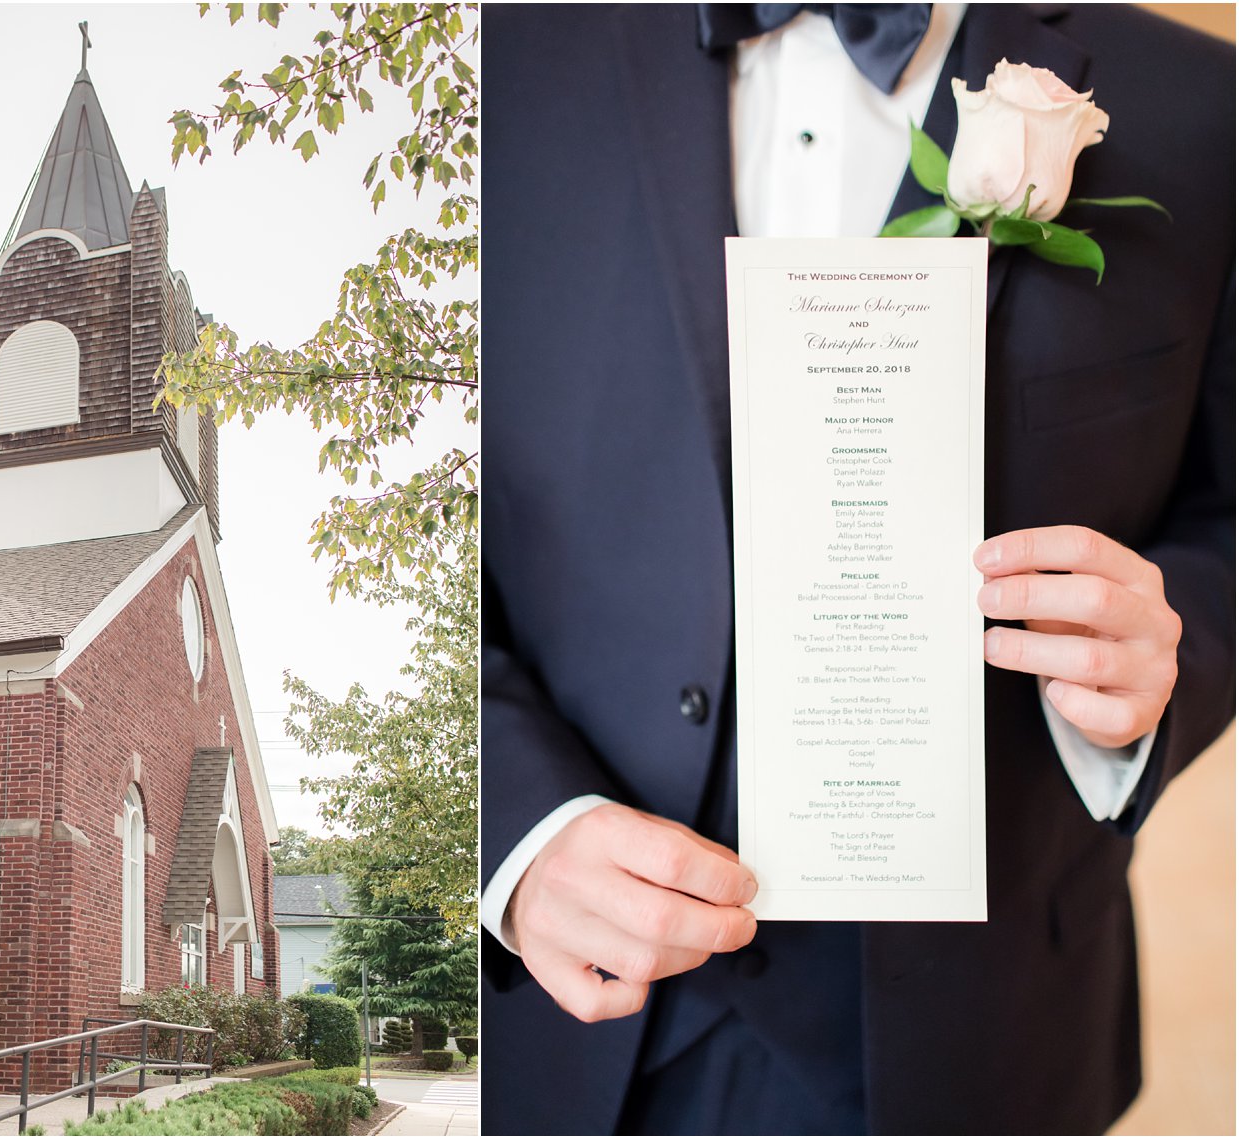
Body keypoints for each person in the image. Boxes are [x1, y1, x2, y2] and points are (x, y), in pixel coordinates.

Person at [479, 4, 1235, 1134]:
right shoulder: (495, 50)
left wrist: (1168, 650)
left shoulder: (1201, 103)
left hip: (997, 1031)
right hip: (586, 1028)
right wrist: (513, 828)